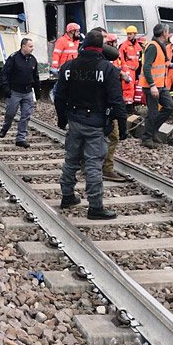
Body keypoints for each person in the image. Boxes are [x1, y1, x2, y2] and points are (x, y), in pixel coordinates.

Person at [54, 29, 127, 219]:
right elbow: (116, 100)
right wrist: (123, 126)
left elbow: (59, 95)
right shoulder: (108, 69)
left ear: (83, 45)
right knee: (94, 164)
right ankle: (95, 207)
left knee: (71, 160)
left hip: (75, 119)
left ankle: (67, 196)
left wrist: (62, 118)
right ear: (101, 47)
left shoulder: (69, 67)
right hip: (96, 123)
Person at [0, 38, 41, 148]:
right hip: (15, 92)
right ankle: (5, 128)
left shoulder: (33, 60)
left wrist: (38, 92)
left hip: (27, 92)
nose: (32, 49)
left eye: (32, 46)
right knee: (10, 114)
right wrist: (6, 88)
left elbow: (36, 77)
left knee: (26, 115)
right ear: (23, 47)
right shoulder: (14, 58)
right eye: (30, 46)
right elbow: (4, 73)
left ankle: (21, 138)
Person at [101, 35, 131, 183]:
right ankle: (106, 168)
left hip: (89, 110)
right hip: (106, 109)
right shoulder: (107, 66)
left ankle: (88, 165)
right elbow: (115, 98)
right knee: (113, 136)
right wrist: (123, 123)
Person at [139, 23, 173, 149]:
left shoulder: (159, 45)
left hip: (160, 85)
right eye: (167, 32)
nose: (168, 34)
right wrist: (152, 85)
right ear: (164, 33)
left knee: (169, 107)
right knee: (152, 112)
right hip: (152, 86)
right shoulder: (153, 46)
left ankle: (153, 131)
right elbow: (146, 66)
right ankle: (147, 138)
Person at [117, 26, 144, 106]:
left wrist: (139, 72)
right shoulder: (123, 45)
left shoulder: (138, 46)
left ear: (135, 34)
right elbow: (121, 59)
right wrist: (125, 71)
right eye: (128, 34)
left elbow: (140, 59)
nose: (129, 36)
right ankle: (128, 106)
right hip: (127, 70)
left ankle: (132, 104)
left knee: (134, 88)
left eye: (130, 34)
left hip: (135, 70)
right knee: (128, 88)